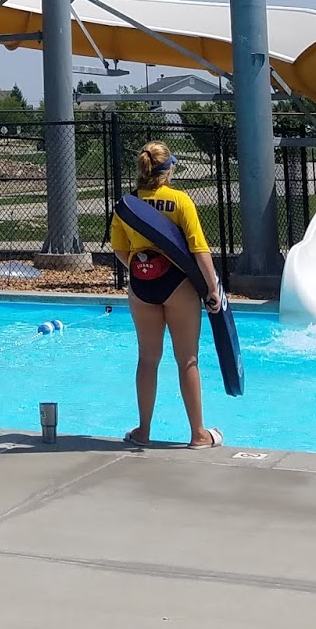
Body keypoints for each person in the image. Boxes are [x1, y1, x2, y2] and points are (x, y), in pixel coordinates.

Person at [111, 141, 223, 449]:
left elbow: (120, 249)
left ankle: (143, 431)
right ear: (168, 168)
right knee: (187, 359)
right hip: (178, 284)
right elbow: (199, 250)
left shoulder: (127, 205)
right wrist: (212, 290)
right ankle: (198, 434)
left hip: (142, 285)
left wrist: (139, 269)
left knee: (148, 358)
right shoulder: (179, 201)